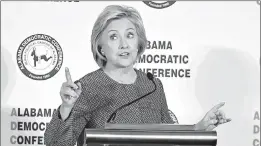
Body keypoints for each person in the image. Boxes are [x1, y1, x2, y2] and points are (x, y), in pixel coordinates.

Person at [44, 5, 231, 146]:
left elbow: (166, 135)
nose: (124, 44)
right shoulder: (87, 87)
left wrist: (199, 128)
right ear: (101, 47)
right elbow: (55, 144)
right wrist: (66, 108)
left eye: (130, 35)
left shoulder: (152, 85)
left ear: (139, 43)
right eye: (114, 37)